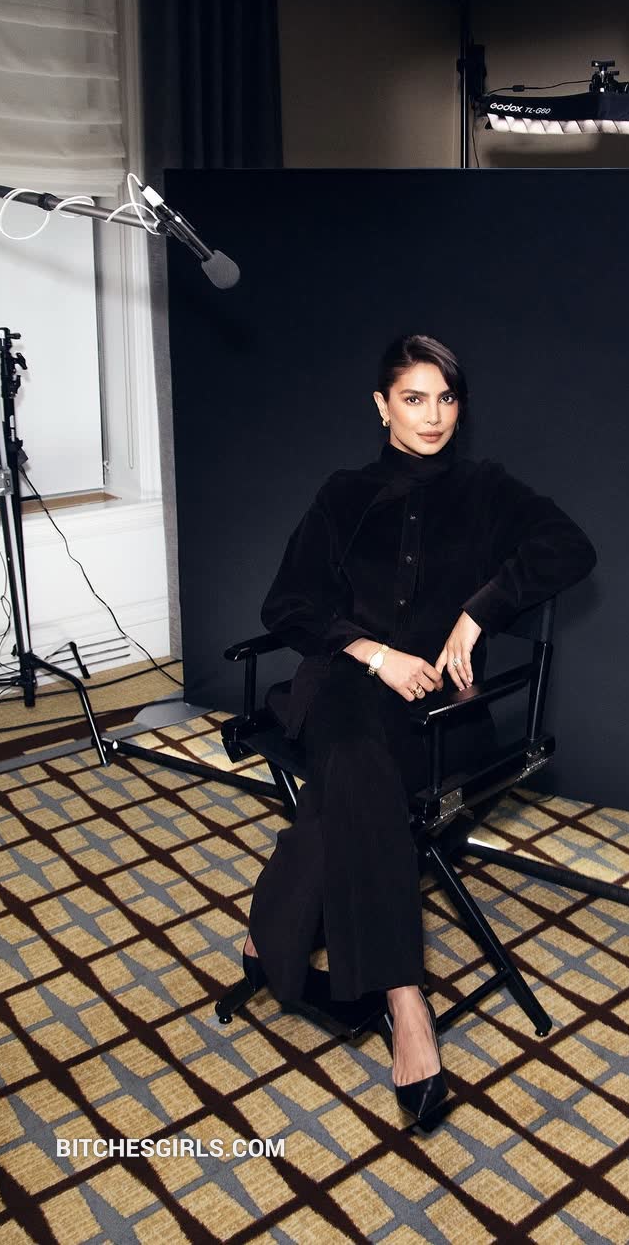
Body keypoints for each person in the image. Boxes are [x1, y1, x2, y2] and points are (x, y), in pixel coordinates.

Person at [242, 333, 597, 1127]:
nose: (432, 416)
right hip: (344, 687)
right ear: (382, 406)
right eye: (413, 398)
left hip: (441, 716)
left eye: (445, 399)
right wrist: (376, 655)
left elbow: (571, 548)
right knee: (356, 756)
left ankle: (272, 934)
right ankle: (408, 1004)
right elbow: (288, 606)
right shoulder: (344, 493)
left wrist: (478, 612)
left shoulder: (485, 489)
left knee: (346, 788)